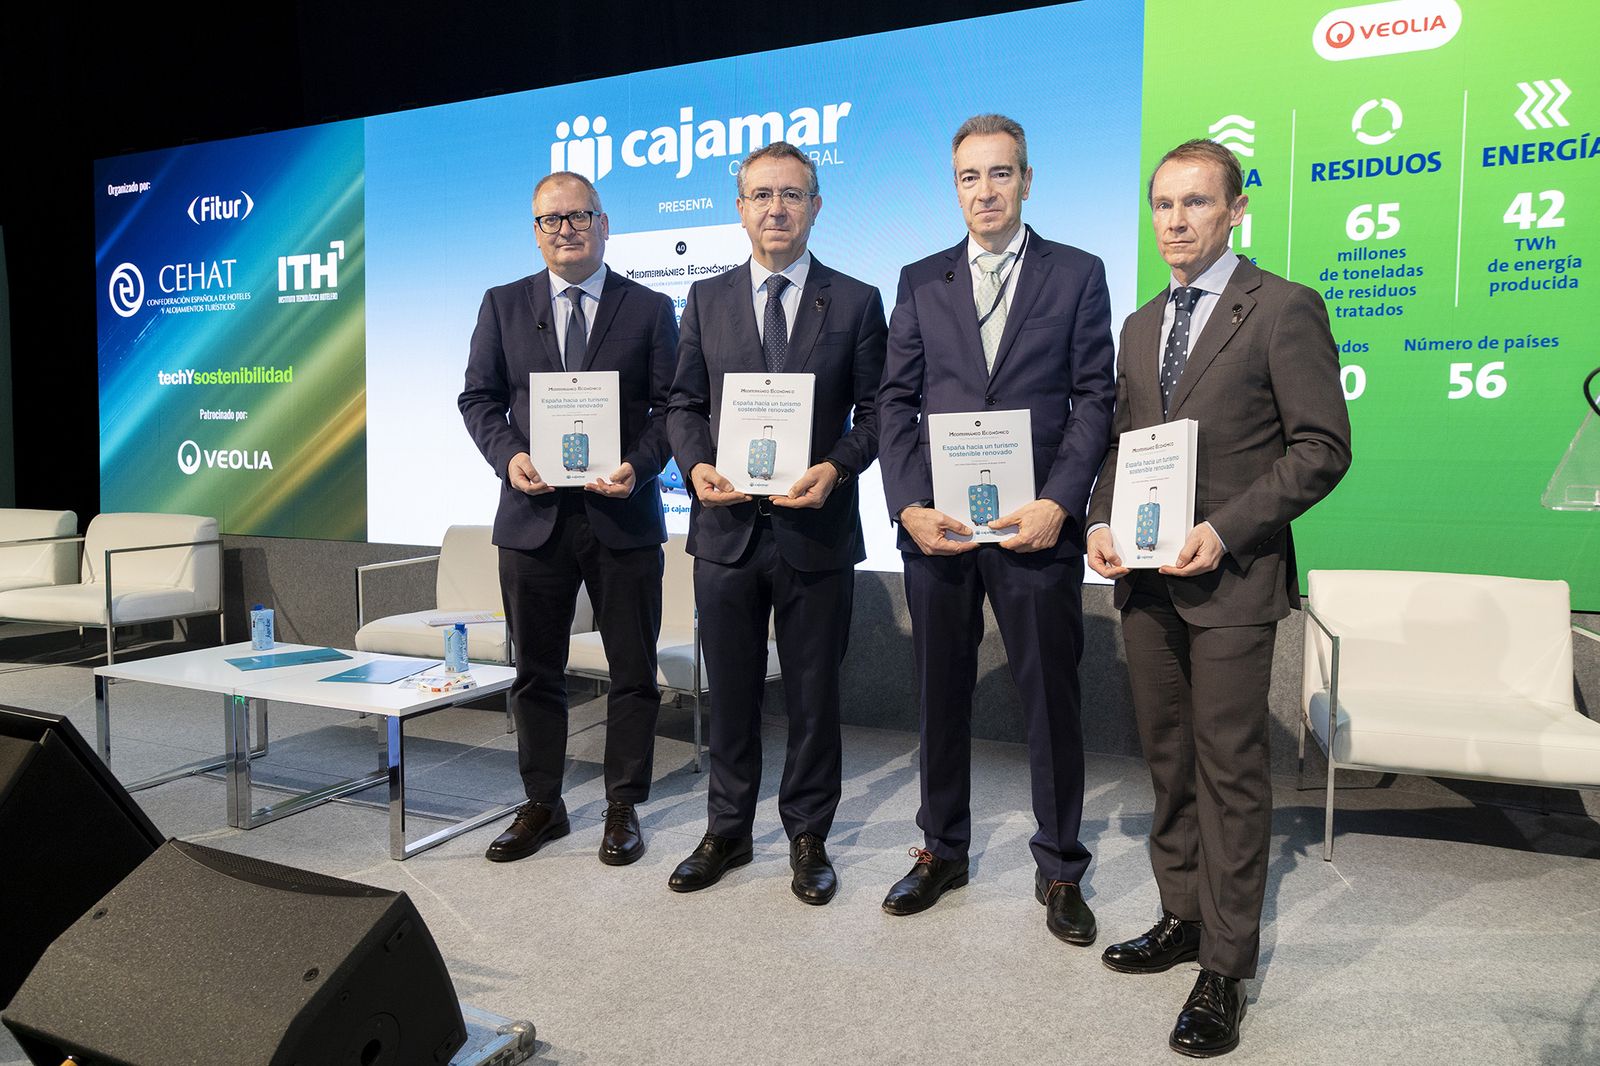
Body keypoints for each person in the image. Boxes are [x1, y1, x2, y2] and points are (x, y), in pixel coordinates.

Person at [1085, 138, 1352, 1058]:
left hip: (1233, 581)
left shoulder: (1282, 308)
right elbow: (1121, 447)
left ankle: (1226, 969)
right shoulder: (1139, 324)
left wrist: (1228, 528)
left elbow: (1321, 447)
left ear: (1235, 210)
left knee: (1230, 772)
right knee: (1167, 761)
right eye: (1163, 204)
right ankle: (1183, 918)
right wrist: (1095, 522)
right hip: (1148, 584)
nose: (1175, 221)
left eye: (1196, 204)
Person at [876, 114, 1115, 943]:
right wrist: (907, 502)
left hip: (1034, 527)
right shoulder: (919, 279)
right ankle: (941, 850)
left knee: (1050, 699)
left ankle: (1059, 869)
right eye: (970, 177)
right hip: (938, 526)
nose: (986, 191)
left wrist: (1060, 500)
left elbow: (1096, 400)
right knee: (940, 696)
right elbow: (894, 402)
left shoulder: (1077, 274)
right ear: (955, 187)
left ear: (1027, 179)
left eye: (1000, 174)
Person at [664, 141, 886, 905]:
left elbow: (881, 411)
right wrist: (695, 467)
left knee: (814, 695)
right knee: (729, 692)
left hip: (813, 530)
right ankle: (726, 828)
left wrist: (838, 466)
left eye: (792, 195)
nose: (776, 208)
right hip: (725, 532)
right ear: (740, 208)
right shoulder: (705, 299)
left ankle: (808, 835)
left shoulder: (856, 301)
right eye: (761, 195)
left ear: (816, 206)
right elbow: (683, 403)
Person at [459, 170, 679, 867]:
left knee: (633, 672)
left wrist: (639, 468)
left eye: (579, 215)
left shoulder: (647, 308)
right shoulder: (502, 304)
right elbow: (478, 400)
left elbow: (673, 408)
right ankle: (543, 805)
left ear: (604, 224)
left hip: (622, 515)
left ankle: (622, 806)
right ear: (535, 230)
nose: (566, 228)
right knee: (536, 672)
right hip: (533, 516)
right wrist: (510, 457)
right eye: (551, 219)